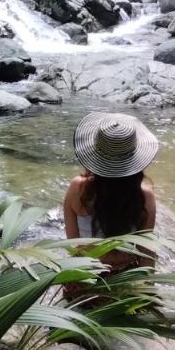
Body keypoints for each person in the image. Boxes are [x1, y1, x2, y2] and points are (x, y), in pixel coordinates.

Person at [63, 112, 159, 272]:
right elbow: (146, 251)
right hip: (124, 275)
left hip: (85, 274)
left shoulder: (78, 189)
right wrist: (147, 289)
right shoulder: (145, 196)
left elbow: (72, 244)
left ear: (94, 154)